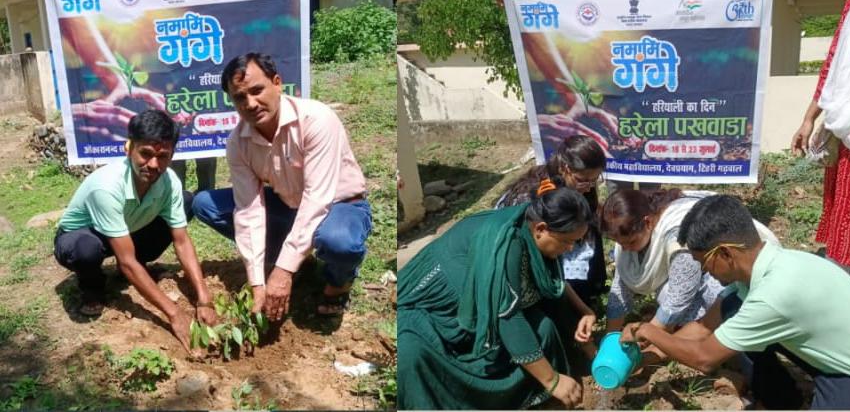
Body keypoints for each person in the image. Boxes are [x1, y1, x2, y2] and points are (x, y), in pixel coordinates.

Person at [622, 194, 850, 410]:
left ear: (725, 253)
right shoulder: (775, 264)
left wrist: (649, 330)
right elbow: (702, 328)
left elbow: (704, 358)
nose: (705, 272)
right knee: (732, 306)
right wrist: (646, 355)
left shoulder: (774, 295)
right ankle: (782, 399)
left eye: (704, 264)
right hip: (833, 354)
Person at [192, 53, 372, 320]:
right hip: (289, 206)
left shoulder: (316, 119)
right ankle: (293, 257)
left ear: (277, 83)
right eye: (240, 97)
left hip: (338, 205)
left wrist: (283, 271)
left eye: (257, 90)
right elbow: (248, 210)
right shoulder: (238, 143)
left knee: (339, 242)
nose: (250, 103)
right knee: (205, 204)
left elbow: (317, 200)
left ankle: (338, 283)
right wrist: (257, 282)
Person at [398, 181, 594, 410]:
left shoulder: (530, 228)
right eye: (568, 242)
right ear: (541, 229)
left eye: (575, 241)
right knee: (412, 355)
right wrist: (553, 380)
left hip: (486, 308)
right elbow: (507, 316)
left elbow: (554, 282)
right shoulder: (505, 244)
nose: (571, 249)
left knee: (544, 329)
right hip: (438, 314)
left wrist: (585, 311)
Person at [53, 110, 218, 350]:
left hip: (126, 230)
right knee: (86, 250)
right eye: (146, 154)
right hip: (82, 236)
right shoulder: (107, 186)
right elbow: (127, 259)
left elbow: (181, 241)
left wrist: (204, 298)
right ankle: (93, 287)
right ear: (129, 148)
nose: (153, 164)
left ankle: (130, 271)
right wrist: (175, 314)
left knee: (186, 200)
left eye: (163, 156)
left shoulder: (169, 181)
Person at [790, 0, 850, 302]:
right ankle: (833, 312)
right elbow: (834, 61)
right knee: (844, 223)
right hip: (849, 133)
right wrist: (809, 117)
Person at [602, 189, 777, 334]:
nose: (625, 249)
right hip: (714, 274)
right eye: (620, 244)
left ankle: (724, 340)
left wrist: (650, 336)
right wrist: (610, 337)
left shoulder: (675, 231)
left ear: (647, 223)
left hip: (740, 277)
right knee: (667, 296)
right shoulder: (630, 238)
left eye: (631, 242)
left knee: (712, 295)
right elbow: (621, 285)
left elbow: (680, 294)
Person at [497, 136, 607, 307]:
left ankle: (588, 292)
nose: (589, 187)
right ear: (565, 168)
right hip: (535, 248)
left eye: (595, 180)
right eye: (583, 180)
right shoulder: (533, 196)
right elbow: (529, 241)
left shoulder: (582, 188)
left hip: (555, 241)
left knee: (590, 228)